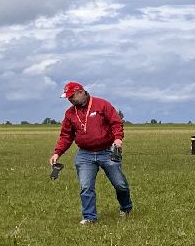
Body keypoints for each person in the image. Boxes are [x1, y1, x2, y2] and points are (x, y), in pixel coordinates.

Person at [50, 81, 133, 225]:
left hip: (107, 151)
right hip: (85, 154)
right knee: (86, 186)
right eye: (68, 98)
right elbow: (66, 136)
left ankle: (126, 208)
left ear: (81, 92)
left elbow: (116, 123)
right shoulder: (70, 113)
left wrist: (118, 139)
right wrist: (57, 153)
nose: (70, 100)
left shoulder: (102, 105)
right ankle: (89, 217)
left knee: (120, 184)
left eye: (72, 96)